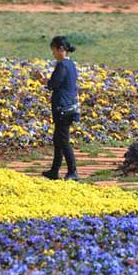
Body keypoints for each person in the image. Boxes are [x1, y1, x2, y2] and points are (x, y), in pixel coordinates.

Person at [38, 36, 80, 181]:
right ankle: (54, 170)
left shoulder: (62, 65)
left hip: (63, 107)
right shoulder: (71, 64)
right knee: (58, 140)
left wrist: (43, 79)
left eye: (54, 50)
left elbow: (54, 85)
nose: (53, 54)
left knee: (63, 140)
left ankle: (73, 171)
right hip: (69, 105)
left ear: (61, 49)